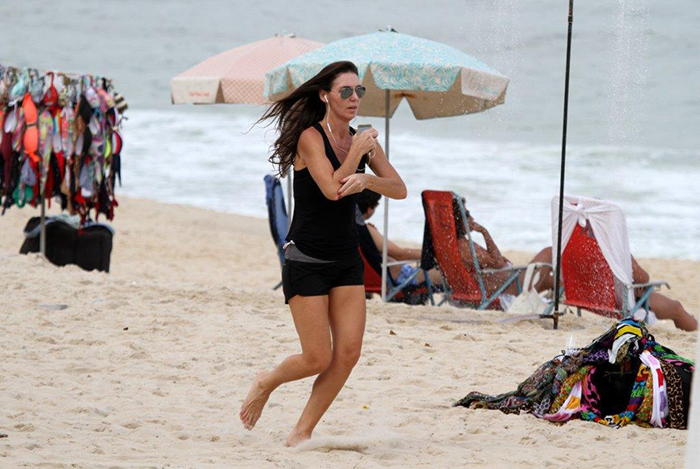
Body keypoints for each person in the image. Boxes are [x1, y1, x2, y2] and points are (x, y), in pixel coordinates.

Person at [239, 61, 407, 446]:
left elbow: (399, 188)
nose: (353, 98)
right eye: (345, 91)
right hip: (307, 259)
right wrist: (357, 157)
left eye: (358, 91)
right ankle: (265, 382)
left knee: (347, 353)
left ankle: (301, 432)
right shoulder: (309, 138)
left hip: (346, 259)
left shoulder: (363, 139)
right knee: (317, 357)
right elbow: (333, 188)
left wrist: (369, 177)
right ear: (324, 96)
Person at [456, 207, 697, 331]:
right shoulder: (614, 249)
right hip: (619, 303)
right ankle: (694, 329)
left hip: (583, 297)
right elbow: (642, 279)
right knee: (675, 307)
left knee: (548, 261)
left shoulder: (569, 249)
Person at [356, 189, 442, 287]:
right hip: (402, 278)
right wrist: (436, 254)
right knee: (446, 275)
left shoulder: (351, 230)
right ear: (370, 208)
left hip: (383, 276)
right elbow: (400, 254)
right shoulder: (366, 229)